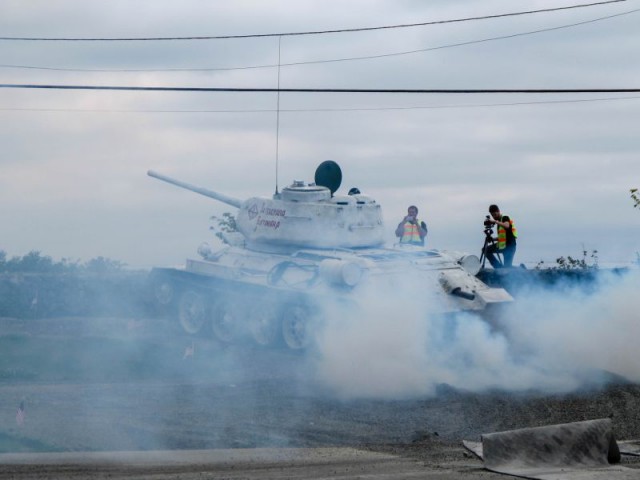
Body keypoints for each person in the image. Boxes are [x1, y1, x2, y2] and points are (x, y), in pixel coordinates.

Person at [483, 204, 517, 268]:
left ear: (498, 211)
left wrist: (495, 221)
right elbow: (502, 237)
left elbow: (507, 226)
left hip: (510, 247)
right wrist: (493, 239)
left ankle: (521, 268)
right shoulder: (499, 222)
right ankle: (499, 268)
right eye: (492, 215)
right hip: (502, 246)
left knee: (507, 268)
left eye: (495, 214)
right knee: (485, 250)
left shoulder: (505, 217)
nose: (494, 216)